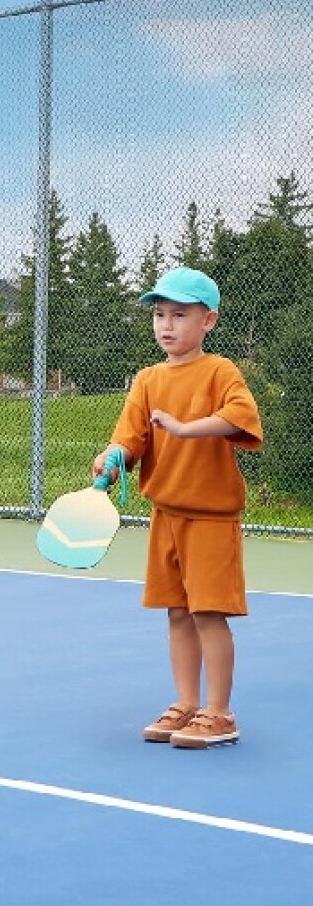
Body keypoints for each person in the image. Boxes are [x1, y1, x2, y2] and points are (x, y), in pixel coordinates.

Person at [92, 266, 262, 749]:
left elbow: (240, 417)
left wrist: (187, 428)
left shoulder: (220, 371)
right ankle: (187, 704)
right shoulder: (146, 380)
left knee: (210, 613)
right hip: (164, 515)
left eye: (180, 315)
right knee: (178, 612)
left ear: (208, 321)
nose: (166, 325)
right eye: (160, 315)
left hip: (211, 517)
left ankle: (220, 712)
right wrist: (112, 461)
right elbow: (130, 439)